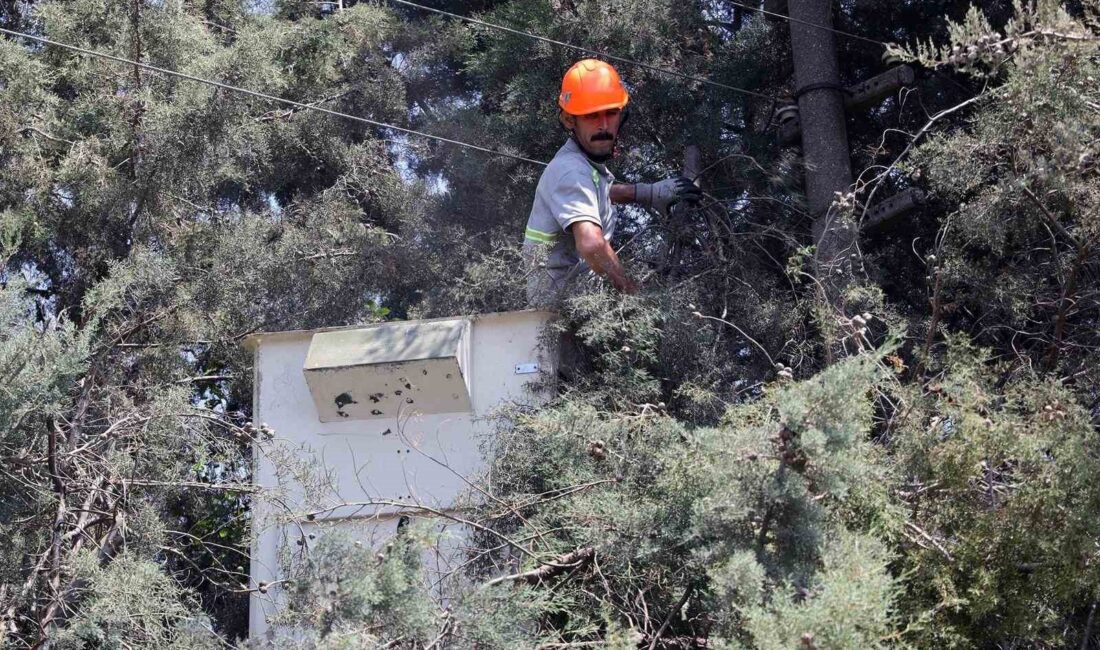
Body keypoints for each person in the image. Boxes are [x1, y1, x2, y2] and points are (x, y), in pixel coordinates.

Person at [523, 58, 701, 308]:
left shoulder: (582, 167)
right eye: (591, 116)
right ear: (569, 121)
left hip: (578, 304)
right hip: (561, 314)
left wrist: (646, 193)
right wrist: (633, 297)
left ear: (622, 115)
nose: (604, 126)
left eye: (610, 113)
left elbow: (596, 193)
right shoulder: (570, 170)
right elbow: (591, 243)